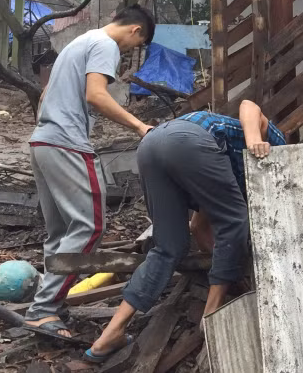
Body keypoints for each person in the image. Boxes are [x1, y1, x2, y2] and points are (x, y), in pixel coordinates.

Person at [86, 100, 285, 361]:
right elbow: (249, 105)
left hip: (151, 145)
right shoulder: (280, 150)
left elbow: (198, 228)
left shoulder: (219, 174)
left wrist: (231, 270)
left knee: (168, 246)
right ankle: (211, 316)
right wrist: (253, 140)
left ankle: (110, 334)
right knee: (235, 221)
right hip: (188, 141)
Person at [24, 5, 155, 337]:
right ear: (135, 30)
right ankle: (44, 309)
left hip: (42, 142)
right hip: (67, 143)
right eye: (136, 45)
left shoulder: (79, 42)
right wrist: (140, 125)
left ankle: (48, 304)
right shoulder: (106, 45)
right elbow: (96, 95)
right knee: (90, 225)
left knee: (60, 232)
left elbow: (44, 96)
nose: (130, 51)